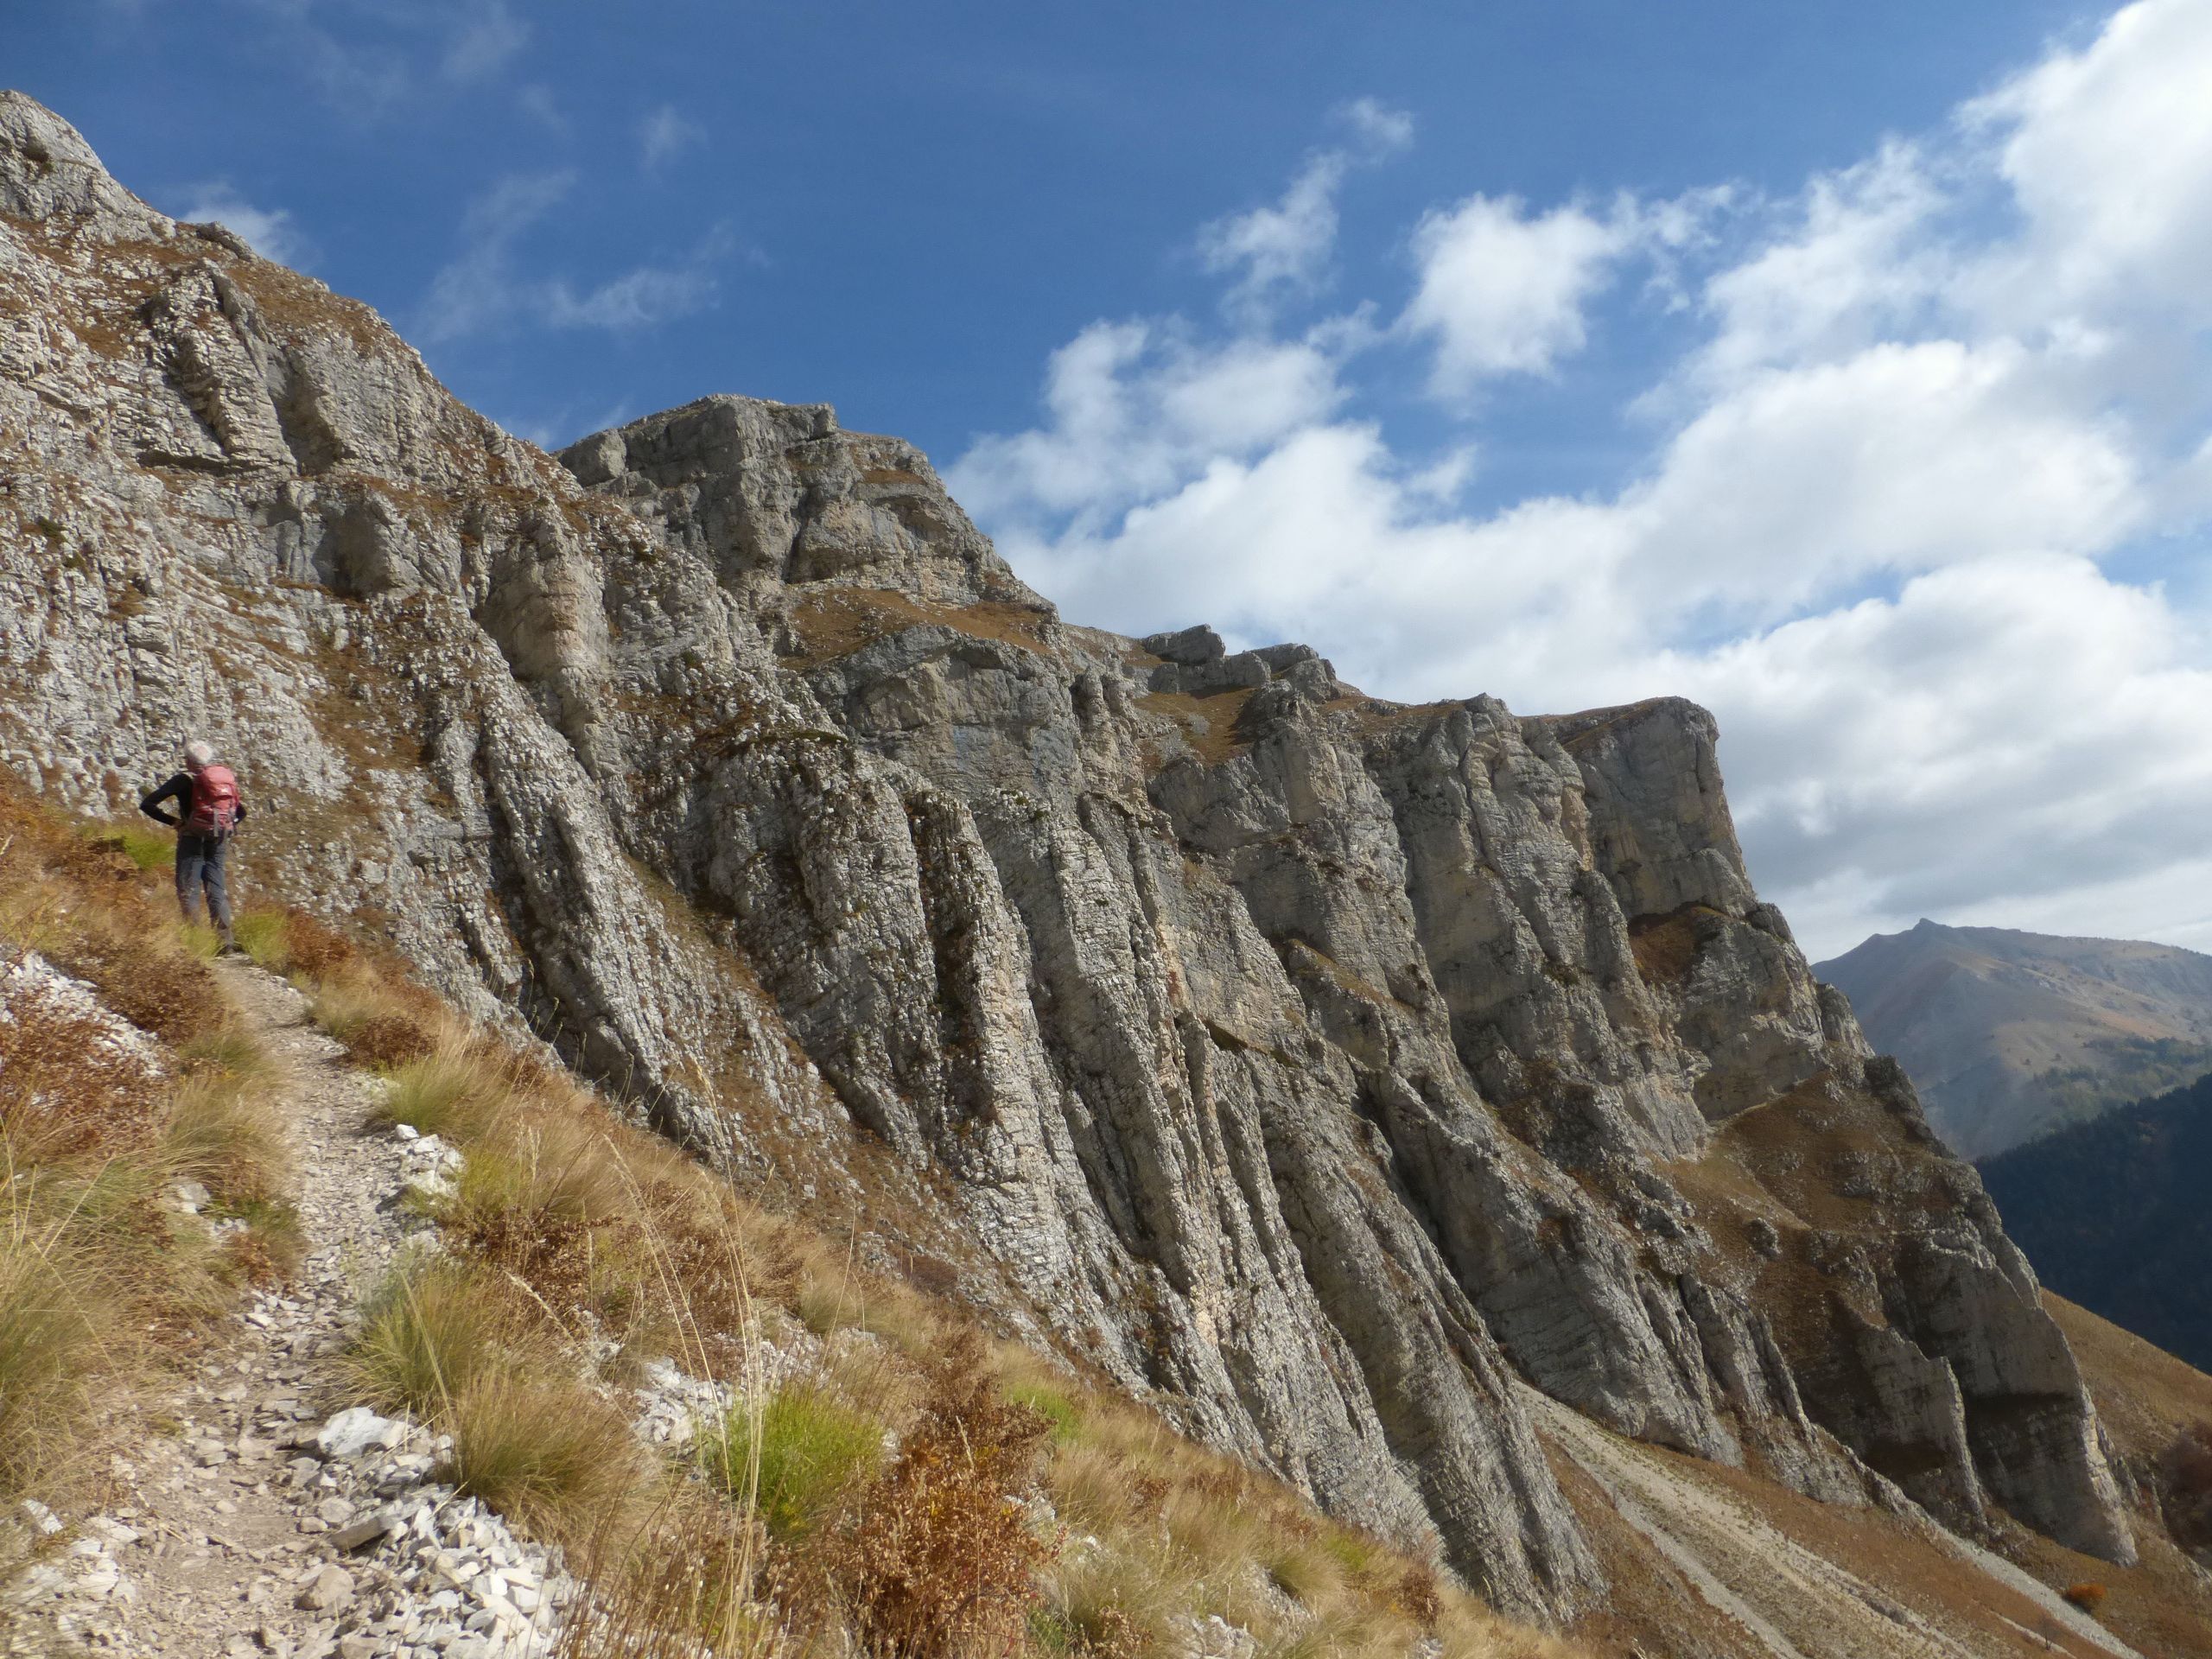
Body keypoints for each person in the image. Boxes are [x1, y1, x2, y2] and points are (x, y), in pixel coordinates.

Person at [141, 739, 249, 951]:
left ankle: (195, 942)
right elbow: (241, 813)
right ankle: (225, 943)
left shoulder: (183, 780)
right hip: (217, 841)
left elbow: (147, 804)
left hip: (191, 840)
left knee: (188, 889)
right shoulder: (221, 780)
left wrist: (175, 822)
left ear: (189, 761)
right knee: (216, 889)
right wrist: (225, 825)